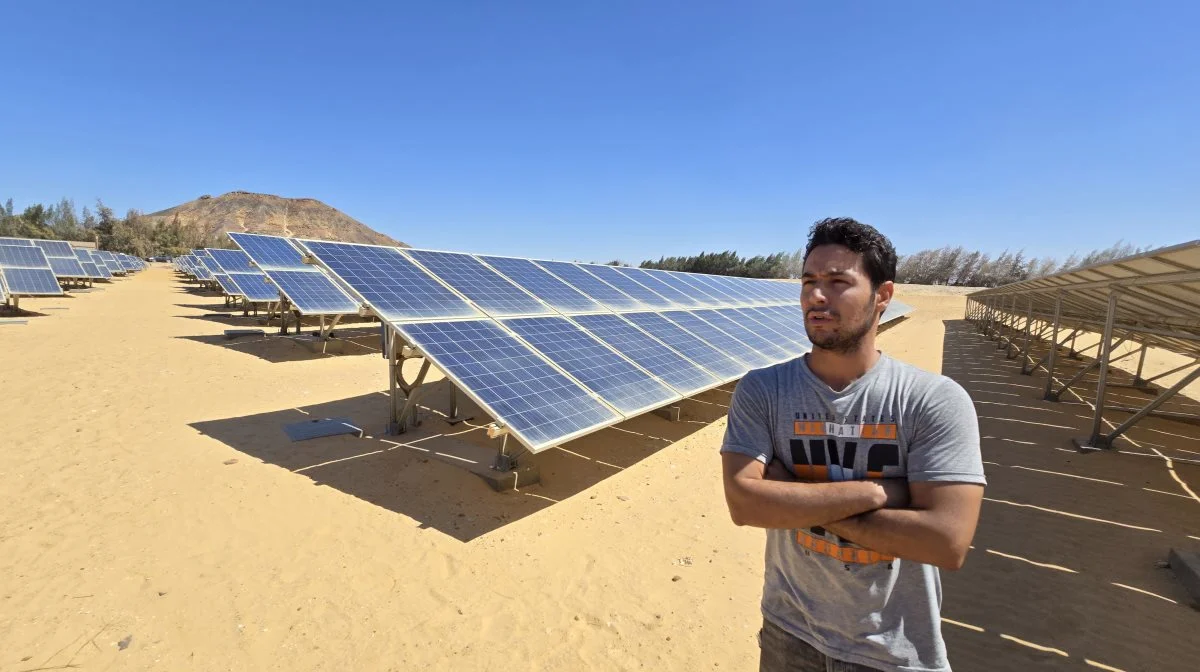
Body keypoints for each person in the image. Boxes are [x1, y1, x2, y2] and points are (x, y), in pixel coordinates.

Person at [720, 217, 985, 672]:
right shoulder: (763, 390)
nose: (816, 297)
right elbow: (746, 505)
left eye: (838, 282)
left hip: (893, 652)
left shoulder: (932, 400)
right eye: (809, 281)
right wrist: (878, 492)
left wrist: (792, 495)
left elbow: (945, 543)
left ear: (883, 296)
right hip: (789, 635)